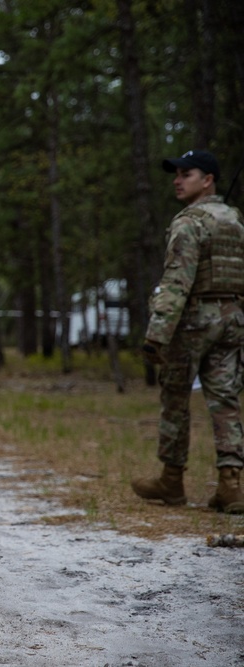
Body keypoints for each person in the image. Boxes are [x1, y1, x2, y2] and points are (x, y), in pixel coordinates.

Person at [134, 149, 244, 514]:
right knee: (226, 400)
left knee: (176, 399)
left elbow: (177, 282)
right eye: (176, 174)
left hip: (195, 321)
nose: (177, 180)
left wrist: (156, 335)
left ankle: (172, 479)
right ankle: (231, 484)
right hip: (232, 319)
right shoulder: (235, 220)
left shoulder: (188, 222)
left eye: (186, 174)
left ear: (208, 179)